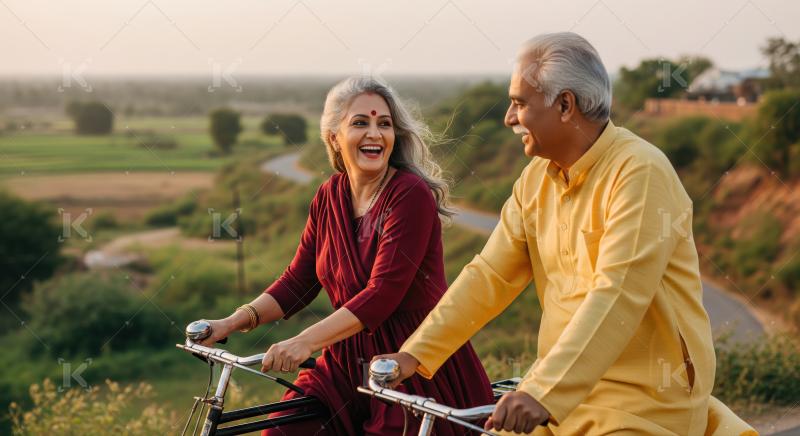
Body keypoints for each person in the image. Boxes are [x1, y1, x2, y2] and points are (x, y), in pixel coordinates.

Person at [376, 33, 757, 435]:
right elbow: (490, 275)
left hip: (645, 400)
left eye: (520, 103)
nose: (508, 118)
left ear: (565, 105)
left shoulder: (639, 172)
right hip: (559, 393)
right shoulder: (535, 179)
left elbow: (618, 293)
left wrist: (543, 392)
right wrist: (414, 355)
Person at [198, 76, 493, 435]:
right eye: (360, 123)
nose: (374, 133)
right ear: (334, 137)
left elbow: (383, 293)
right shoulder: (329, 196)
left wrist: (304, 340)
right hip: (343, 368)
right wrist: (231, 323)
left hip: (408, 368)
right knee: (282, 431)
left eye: (384, 124)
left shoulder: (409, 195)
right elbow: (298, 281)